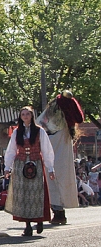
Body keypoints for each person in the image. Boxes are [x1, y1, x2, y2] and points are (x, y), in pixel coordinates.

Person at [3, 107, 55, 236]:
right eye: (23, 114)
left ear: (32, 116)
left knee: (37, 193)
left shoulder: (39, 131)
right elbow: (11, 150)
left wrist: (50, 168)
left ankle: (39, 219)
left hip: (35, 163)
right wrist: (7, 168)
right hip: (20, 164)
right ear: (20, 116)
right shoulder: (16, 132)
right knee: (23, 195)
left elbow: (47, 150)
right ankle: (27, 225)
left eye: (27, 114)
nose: (25, 116)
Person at [38, 91, 84, 225]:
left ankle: (58, 212)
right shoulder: (66, 132)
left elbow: (39, 126)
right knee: (59, 176)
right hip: (60, 142)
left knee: (51, 177)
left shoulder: (52, 119)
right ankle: (58, 211)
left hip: (54, 145)